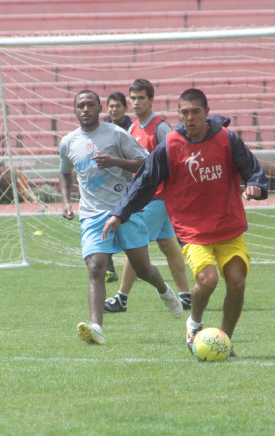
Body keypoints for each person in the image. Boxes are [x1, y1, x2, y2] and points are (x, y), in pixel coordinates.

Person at [102, 88, 269, 356]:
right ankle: (196, 322)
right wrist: (119, 213)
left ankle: (222, 341)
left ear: (206, 112)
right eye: (184, 113)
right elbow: (144, 183)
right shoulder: (170, 145)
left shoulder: (227, 139)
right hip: (192, 231)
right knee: (208, 279)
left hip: (228, 226)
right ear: (179, 114)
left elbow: (253, 170)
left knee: (237, 282)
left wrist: (255, 186)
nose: (189, 118)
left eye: (195, 112)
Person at [59, 89, 183, 346]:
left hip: (125, 209)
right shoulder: (68, 143)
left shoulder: (116, 134)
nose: (85, 109)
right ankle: (97, 328)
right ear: (74, 110)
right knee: (95, 267)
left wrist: (114, 161)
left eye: (90, 104)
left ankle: (164, 291)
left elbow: (146, 164)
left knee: (143, 269)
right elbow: (64, 172)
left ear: (99, 108)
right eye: (80, 105)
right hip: (92, 214)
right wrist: (65, 201)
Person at [104, 78, 191, 314]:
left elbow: (178, 158)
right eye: (133, 98)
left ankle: (121, 298)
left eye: (141, 98)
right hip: (149, 197)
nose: (136, 103)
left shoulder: (161, 127)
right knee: (167, 245)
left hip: (157, 197)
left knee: (135, 245)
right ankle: (186, 295)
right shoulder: (133, 128)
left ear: (151, 100)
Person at [104, 92, 133, 283]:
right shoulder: (101, 128)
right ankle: (108, 269)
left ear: (125, 108)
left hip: (128, 184)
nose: (114, 109)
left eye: (118, 106)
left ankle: (134, 268)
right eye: (111, 106)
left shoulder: (132, 129)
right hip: (105, 185)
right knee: (103, 225)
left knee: (128, 229)